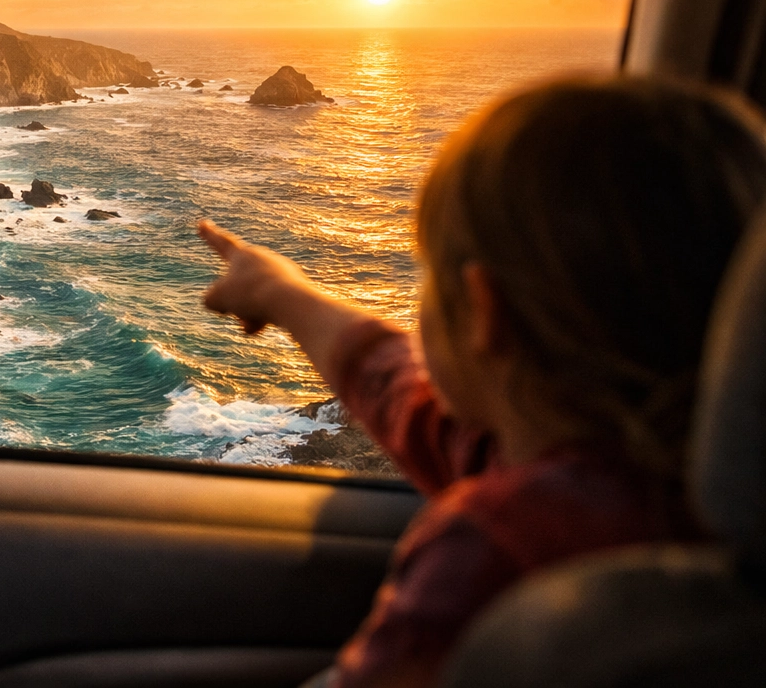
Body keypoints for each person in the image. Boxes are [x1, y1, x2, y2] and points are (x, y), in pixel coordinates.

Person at [198, 75, 766, 688]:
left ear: (484, 311)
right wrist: (282, 295)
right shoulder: (684, 495)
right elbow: (410, 402)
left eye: (428, 275)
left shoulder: (495, 547)